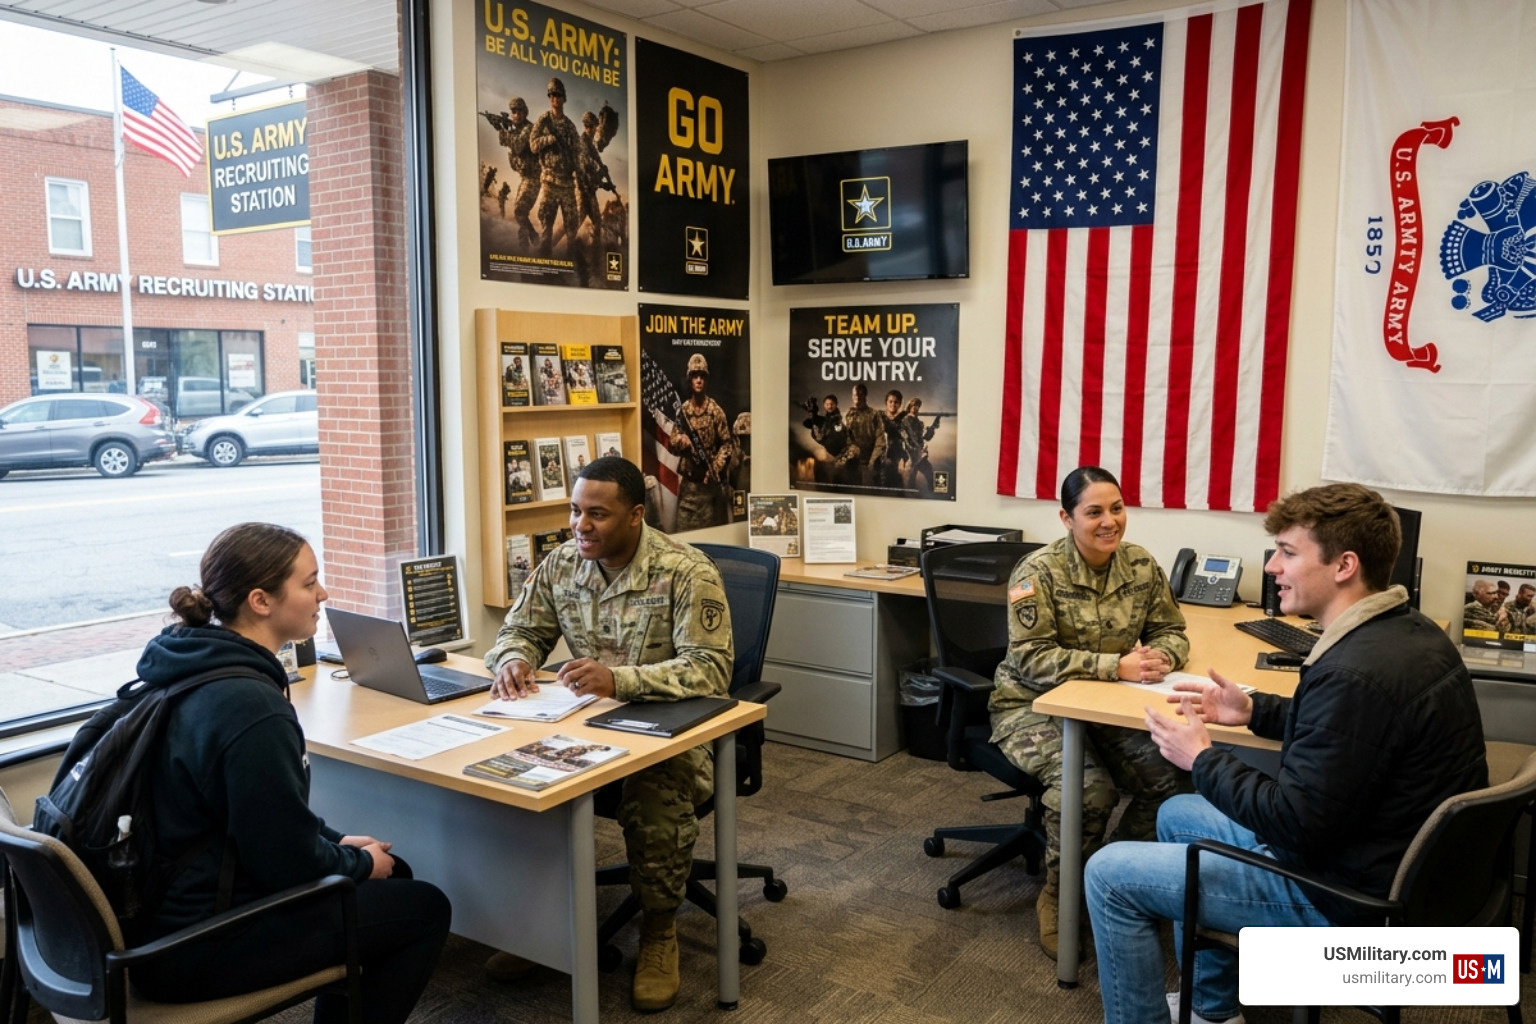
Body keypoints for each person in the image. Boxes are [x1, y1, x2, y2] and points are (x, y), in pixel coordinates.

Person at [1084, 483, 1487, 1024]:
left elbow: (1294, 822)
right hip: (1398, 865)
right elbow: (1347, 738)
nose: (1272, 566)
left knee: (1108, 874)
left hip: (1354, 904)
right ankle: (1212, 1011)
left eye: (1288, 552)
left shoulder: (1354, 673)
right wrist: (1255, 711)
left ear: (1344, 565)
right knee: (1177, 813)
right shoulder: (1407, 632)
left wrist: (1202, 759)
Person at [128, 523, 451, 1023]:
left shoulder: (186, 667)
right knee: (424, 908)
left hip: (157, 916)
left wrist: (339, 843)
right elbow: (283, 859)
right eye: (309, 583)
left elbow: (263, 815)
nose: (324, 594)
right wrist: (357, 863)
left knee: (392, 874)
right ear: (260, 601)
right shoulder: (250, 708)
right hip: (195, 943)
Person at [482, 456, 733, 1011]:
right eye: (575, 510)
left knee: (653, 797)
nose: (580, 525)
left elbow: (712, 670)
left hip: (669, 735)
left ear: (636, 515)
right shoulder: (562, 563)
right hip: (584, 728)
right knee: (513, 781)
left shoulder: (686, 571)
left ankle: (659, 932)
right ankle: (543, 926)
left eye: (596, 514)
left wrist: (620, 680)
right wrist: (514, 659)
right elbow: (519, 629)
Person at [989, 465, 1190, 958]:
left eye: (1116, 509)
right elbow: (1031, 659)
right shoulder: (1037, 572)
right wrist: (1114, 666)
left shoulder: (1140, 564)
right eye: (1094, 512)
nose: (1109, 521)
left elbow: (1172, 630)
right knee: (1088, 789)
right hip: (1029, 706)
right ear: (1067, 518)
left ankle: (1109, 873)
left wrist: (1164, 656)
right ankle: (1059, 897)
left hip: (1105, 706)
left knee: (1174, 778)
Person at [667, 353, 734, 531]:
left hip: (709, 487)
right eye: (695, 376)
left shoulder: (715, 411)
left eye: (702, 376)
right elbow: (672, 445)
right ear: (690, 380)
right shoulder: (684, 411)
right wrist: (680, 441)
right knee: (683, 535)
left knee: (709, 536)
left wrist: (716, 467)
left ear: (706, 380)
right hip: (688, 489)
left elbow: (727, 445)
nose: (698, 380)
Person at [530, 77, 581, 259]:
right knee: (546, 229)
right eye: (551, 94)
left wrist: (579, 175)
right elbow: (533, 145)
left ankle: (570, 266)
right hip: (550, 182)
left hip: (567, 184)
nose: (555, 98)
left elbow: (578, 153)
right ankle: (545, 266)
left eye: (558, 95)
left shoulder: (570, 126)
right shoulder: (544, 120)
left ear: (564, 98)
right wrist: (548, 139)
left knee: (572, 229)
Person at [495, 95, 539, 247]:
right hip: (525, 177)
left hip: (534, 178)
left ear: (525, 113)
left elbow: (518, 145)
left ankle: (528, 245)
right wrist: (503, 130)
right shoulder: (517, 130)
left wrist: (503, 131)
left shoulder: (529, 129)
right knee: (519, 213)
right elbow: (505, 143)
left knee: (520, 212)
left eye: (520, 112)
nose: (517, 115)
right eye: (514, 112)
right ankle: (531, 241)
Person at [839, 382, 886, 487]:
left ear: (865, 395)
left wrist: (872, 463)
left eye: (860, 394)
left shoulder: (874, 414)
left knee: (871, 490)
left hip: (871, 462)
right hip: (854, 462)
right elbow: (846, 438)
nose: (857, 397)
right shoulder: (849, 415)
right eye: (855, 395)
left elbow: (880, 441)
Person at [802, 394, 848, 483]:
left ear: (836, 404)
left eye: (832, 404)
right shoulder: (823, 420)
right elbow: (808, 424)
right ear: (824, 405)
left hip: (841, 454)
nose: (829, 406)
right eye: (827, 404)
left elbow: (837, 431)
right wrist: (813, 415)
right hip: (831, 455)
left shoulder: (837, 419)